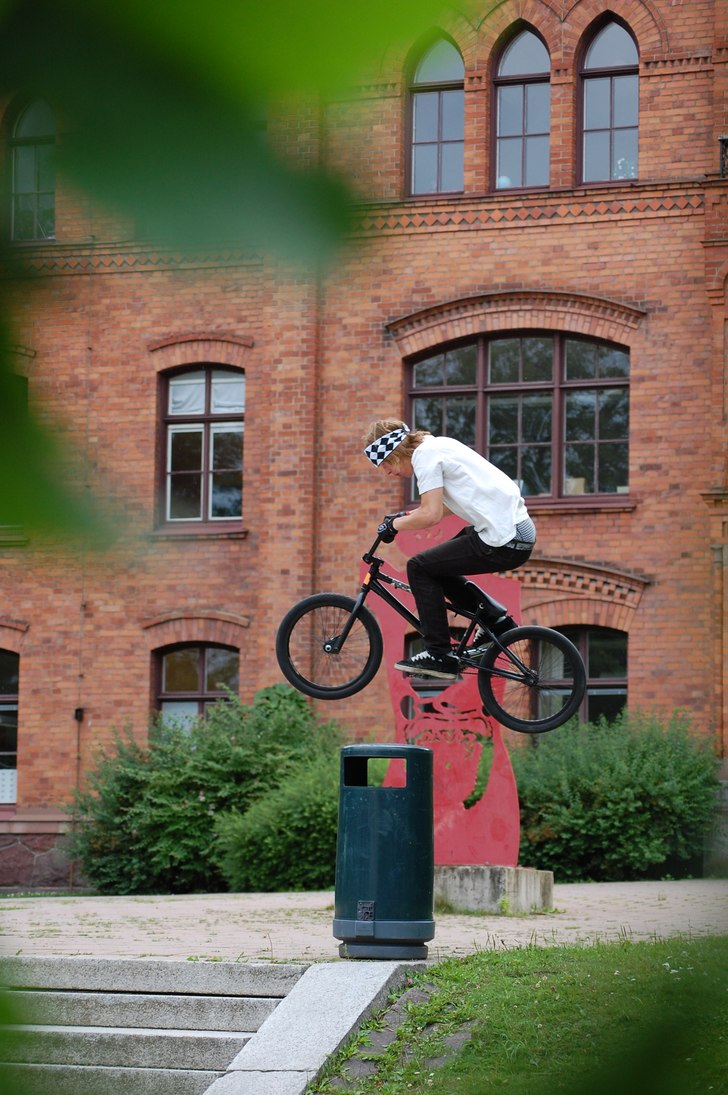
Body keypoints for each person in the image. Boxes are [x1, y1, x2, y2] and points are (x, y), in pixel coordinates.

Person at [363, 419, 536, 680]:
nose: (387, 472)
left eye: (385, 464)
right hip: (510, 532)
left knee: (419, 567)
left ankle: (438, 654)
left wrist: (396, 524)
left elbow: (431, 515)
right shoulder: (438, 446)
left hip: (505, 537)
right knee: (436, 566)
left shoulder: (425, 456)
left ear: (395, 452)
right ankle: (496, 623)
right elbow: (447, 507)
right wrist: (403, 516)